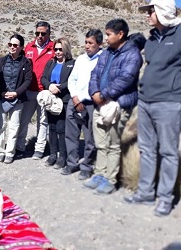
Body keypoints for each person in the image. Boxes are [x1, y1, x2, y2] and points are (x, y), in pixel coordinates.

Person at [124, 0, 181, 217]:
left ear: (163, 11)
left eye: (151, 10)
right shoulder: (152, 39)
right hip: (146, 101)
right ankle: (146, 192)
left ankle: (165, 198)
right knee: (146, 149)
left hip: (169, 103)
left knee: (168, 152)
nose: (147, 14)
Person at [84, 18, 143, 195]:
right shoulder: (106, 53)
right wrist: (94, 92)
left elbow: (125, 79)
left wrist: (103, 95)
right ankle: (99, 174)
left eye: (109, 34)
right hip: (100, 104)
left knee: (113, 143)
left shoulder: (132, 54)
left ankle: (110, 179)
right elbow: (95, 73)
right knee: (101, 143)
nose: (107, 38)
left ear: (120, 34)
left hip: (118, 105)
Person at [63, 29, 103, 180]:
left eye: (90, 43)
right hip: (75, 101)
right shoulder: (80, 59)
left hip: (92, 103)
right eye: (86, 42)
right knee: (71, 134)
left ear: (99, 44)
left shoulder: (103, 59)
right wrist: (75, 98)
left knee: (90, 137)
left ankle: (87, 165)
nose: (87, 46)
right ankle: (71, 162)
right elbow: (72, 79)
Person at [16, 21, 55, 159]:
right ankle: (19, 146)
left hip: (44, 92)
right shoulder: (29, 47)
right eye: (37, 33)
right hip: (29, 90)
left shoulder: (53, 48)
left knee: (42, 121)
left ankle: (39, 148)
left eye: (43, 34)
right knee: (24, 120)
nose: (39, 36)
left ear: (49, 34)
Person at [0, 34, 32, 164]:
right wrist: (2, 92)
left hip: (18, 99)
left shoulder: (26, 62)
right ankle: (0, 151)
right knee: (1, 126)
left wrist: (16, 93)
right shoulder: (2, 61)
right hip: (2, 97)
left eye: (15, 45)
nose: (12, 47)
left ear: (21, 47)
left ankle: (10, 152)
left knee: (14, 126)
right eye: (10, 44)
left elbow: (27, 80)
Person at [37, 38, 75, 169]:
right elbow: (43, 78)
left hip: (64, 99)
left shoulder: (72, 63)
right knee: (51, 127)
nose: (58, 52)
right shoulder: (51, 62)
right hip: (51, 100)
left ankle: (62, 156)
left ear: (66, 49)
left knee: (61, 128)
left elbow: (72, 80)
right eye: (56, 49)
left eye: (60, 49)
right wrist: (50, 86)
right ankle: (53, 154)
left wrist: (60, 87)